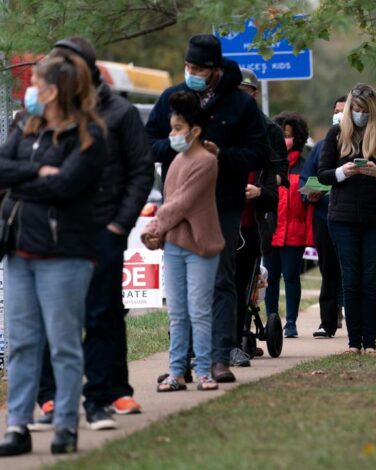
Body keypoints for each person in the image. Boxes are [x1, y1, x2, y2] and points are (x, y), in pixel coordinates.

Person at [28, 36, 154, 433]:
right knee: (51, 316)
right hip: (54, 230)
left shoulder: (118, 112)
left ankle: (101, 396)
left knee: (102, 313)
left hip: (103, 228)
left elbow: (140, 171)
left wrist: (120, 224)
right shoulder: (45, 112)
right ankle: (49, 397)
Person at [145, 34, 273, 383]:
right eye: (188, 66)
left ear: (216, 69)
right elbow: (148, 142)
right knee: (181, 287)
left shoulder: (239, 105)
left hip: (222, 204)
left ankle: (217, 358)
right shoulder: (173, 98)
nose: (192, 73)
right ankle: (181, 361)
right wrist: (176, 148)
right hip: (179, 204)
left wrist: (220, 155)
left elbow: (260, 153)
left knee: (220, 280)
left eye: (199, 68)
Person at [0, 54, 107, 456]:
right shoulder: (24, 125)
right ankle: (17, 426)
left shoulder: (90, 134)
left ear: (55, 89)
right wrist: (38, 174)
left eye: (37, 83)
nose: (30, 89)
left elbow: (66, 185)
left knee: (62, 343)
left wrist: (24, 176)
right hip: (19, 248)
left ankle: (65, 425)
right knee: (22, 343)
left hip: (64, 252)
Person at [142, 91, 224, 393]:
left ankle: (203, 371)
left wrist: (153, 225)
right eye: (172, 128)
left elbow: (182, 203)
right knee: (177, 313)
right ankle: (176, 371)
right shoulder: (175, 160)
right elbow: (170, 201)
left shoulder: (206, 161)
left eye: (178, 128)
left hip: (201, 246)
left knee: (199, 311)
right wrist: (159, 234)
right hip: (174, 246)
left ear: (195, 131)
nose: (172, 134)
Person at [318, 83, 376, 354]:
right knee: (350, 278)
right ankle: (353, 341)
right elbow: (323, 174)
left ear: (373, 110)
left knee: (371, 279)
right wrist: (343, 172)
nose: (359, 114)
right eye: (355, 109)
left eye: (364, 110)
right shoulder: (336, 134)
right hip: (342, 217)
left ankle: (370, 340)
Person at [230, 68, 283, 366]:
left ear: (253, 94)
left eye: (244, 91)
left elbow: (278, 185)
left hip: (249, 225)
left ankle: (236, 339)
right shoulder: (216, 126)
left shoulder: (269, 132)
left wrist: (259, 192)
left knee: (239, 287)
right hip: (216, 223)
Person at [299, 96, 347, 338]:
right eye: (337, 110)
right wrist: (310, 195)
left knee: (351, 270)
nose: (340, 114)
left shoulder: (359, 146)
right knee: (328, 271)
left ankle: (358, 320)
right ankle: (327, 322)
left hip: (350, 217)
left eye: (344, 111)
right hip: (323, 217)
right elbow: (305, 179)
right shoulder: (319, 148)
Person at [264, 112, 313, 338]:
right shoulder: (269, 165)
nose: (286, 139)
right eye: (282, 135)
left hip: (294, 232)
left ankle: (291, 322)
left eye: (289, 135)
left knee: (292, 276)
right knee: (270, 279)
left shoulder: (304, 167)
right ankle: (271, 321)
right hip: (270, 231)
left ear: (298, 138)